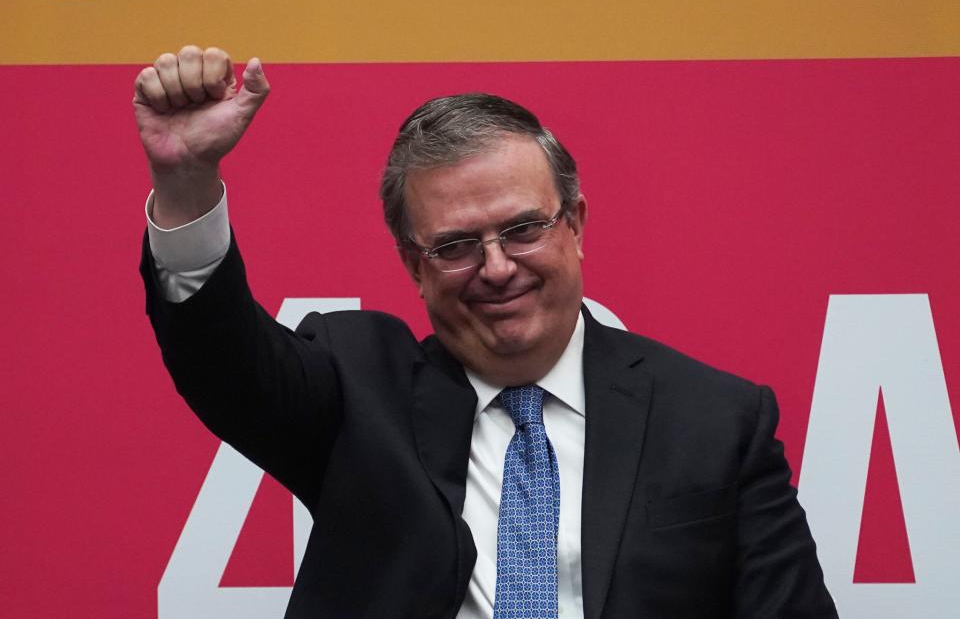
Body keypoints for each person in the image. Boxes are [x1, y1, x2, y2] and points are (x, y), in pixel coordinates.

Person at [135, 46, 837, 619]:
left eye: (523, 229)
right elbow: (222, 361)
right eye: (457, 245)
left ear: (576, 226)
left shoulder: (715, 420)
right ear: (415, 263)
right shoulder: (358, 391)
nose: (497, 269)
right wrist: (187, 182)